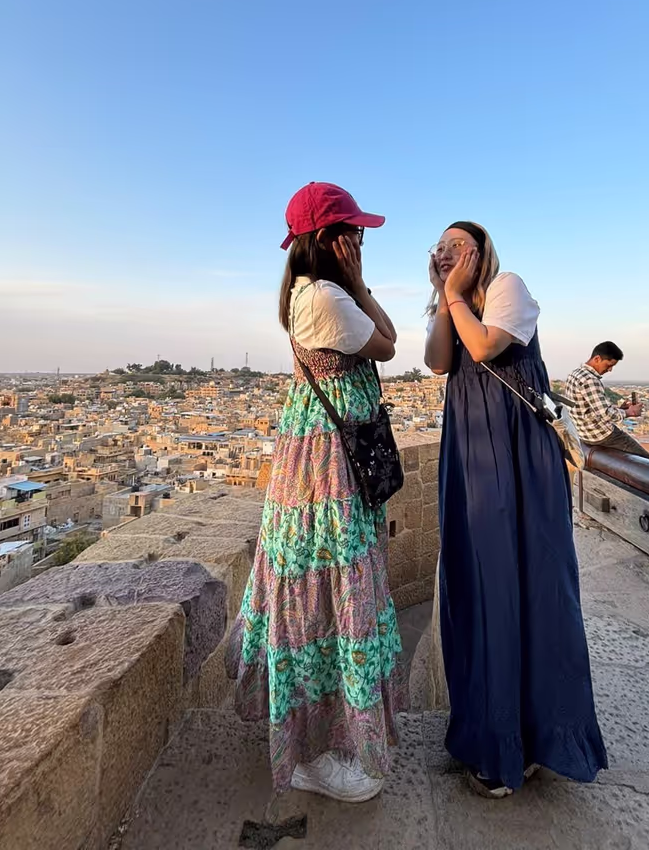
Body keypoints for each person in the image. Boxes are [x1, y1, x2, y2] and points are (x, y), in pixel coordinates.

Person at [226, 182, 404, 802]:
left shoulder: (315, 292)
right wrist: (358, 283)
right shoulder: (326, 297)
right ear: (328, 241)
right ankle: (314, 750)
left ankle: (322, 739)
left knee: (327, 584)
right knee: (331, 588)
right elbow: (388, 343)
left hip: (325, 453)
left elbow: (384, 337)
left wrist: (358, 285)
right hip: (327, 463)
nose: (361, 241)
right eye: (352, 233)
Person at [424, 222, 607, 798]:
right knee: (480, 583)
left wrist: (453, 292)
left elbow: (484, 349)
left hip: (515, 455)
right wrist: (442, 297)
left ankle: (531, 741)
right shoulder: (455, 305)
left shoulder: (509, 288)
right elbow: (437, 361)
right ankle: (492, 734)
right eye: (442, 246)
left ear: (481, 252)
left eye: (458, 245)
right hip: (476, 451)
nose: (447, 252)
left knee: (524, 584)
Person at [565, 342, 649, 460]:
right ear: (597, 359)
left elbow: (589, 408)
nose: (610, 370)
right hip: (599, 434)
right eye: (608, 365)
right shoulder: (590, 380)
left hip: (584, 433)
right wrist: (631, 412)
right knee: (648, 461)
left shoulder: (575, 374)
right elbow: (605, 413)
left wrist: (620, 409)